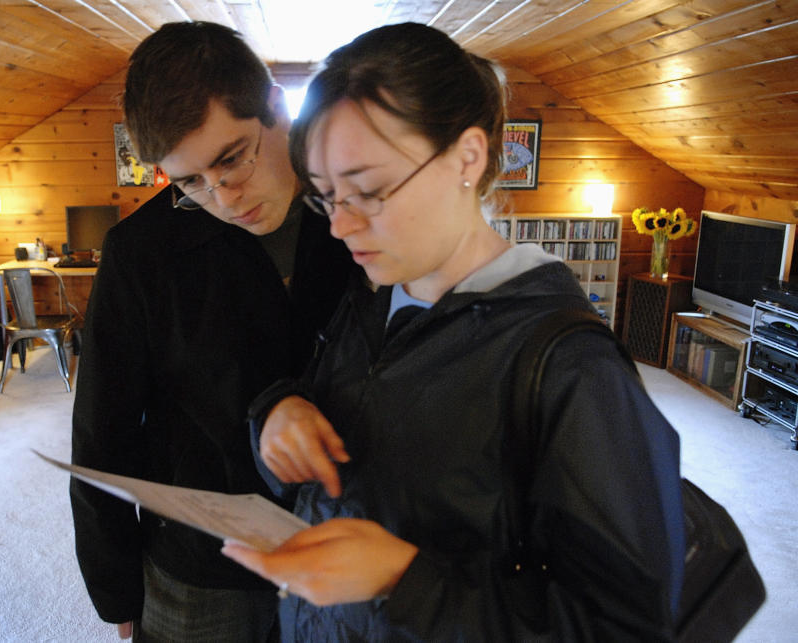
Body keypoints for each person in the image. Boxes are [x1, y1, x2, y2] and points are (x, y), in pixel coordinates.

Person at [222, 22, 685, 641]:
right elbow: (336, 418)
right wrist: (278, 411)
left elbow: (626, 625)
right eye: (328, 197)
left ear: (467, 157)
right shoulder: (369, 298)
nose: (340, 226)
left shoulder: (571, 368)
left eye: (367, 191)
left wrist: (403, 579)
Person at [70, 22, 352, 642]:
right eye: (190, 181)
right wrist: (115, 591)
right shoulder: (139, 253)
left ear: (278, 106)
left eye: (232, 158)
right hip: (203, 568)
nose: (223, 196)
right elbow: (101, 435)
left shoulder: (357, 212)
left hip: (349, 543)